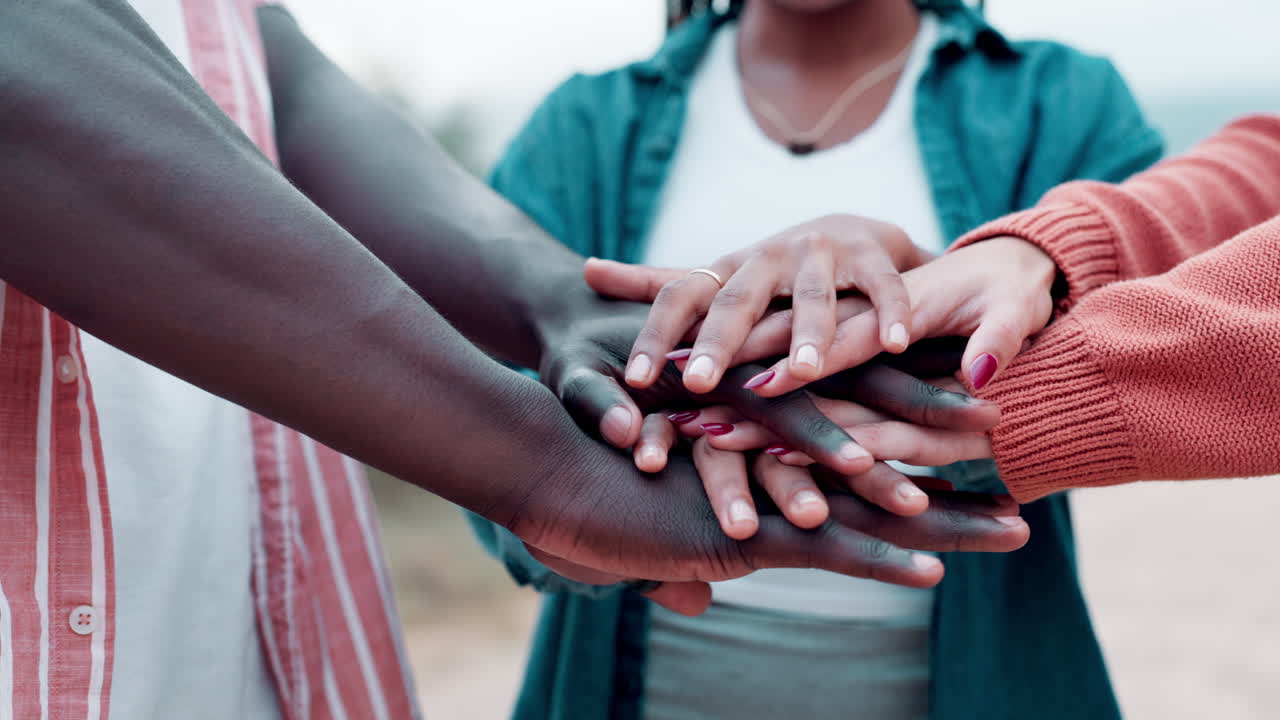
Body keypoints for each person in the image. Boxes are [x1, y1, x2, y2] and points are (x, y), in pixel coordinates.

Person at [0, 1, 1030, 717]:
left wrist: (564, 310)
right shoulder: (590, 120)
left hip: (239, 627)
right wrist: (543, 474)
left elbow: (265, 79)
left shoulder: (1049, 101)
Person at [473, 0, 1162, 718]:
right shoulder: (585, 124)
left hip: (989, 678)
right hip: (635, 679)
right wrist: (578, 498)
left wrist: (949, 326)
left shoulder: (1062, 102)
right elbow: (486, 406)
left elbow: (1141, 368)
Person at [595, 114, 1280, 498]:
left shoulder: (1061, 97)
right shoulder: (593, 116)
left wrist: (1047, 372)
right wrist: (1031, 247)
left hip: (978, 644)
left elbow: (1057, 341)